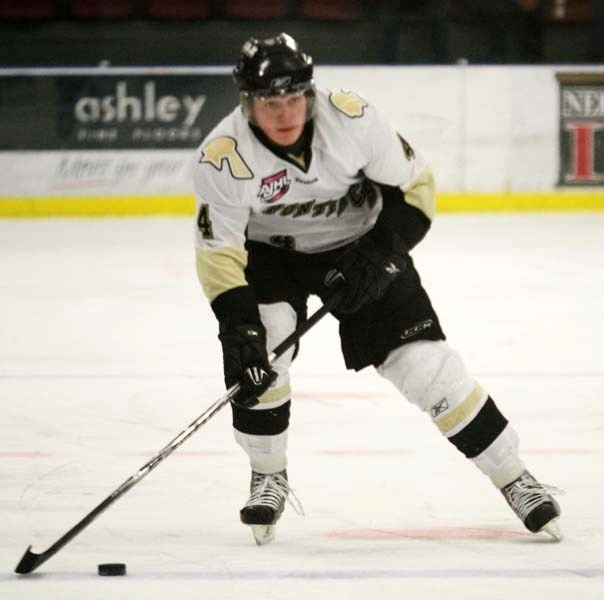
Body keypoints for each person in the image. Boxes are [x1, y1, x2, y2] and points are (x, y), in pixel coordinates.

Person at [192, 32, 562, 546]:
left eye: (293, 98)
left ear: (309, 91)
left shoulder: (352, 119)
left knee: (426, 367)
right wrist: (237, 326)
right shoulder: (221, 156)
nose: (284, 113)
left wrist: (384, 255)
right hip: (272, 258)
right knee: (262, 352)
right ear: (247, 102)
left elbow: (418, 190)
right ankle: (268, 474)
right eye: (269, 102)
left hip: (363, 245)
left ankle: (514, 476)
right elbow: (219, 252)